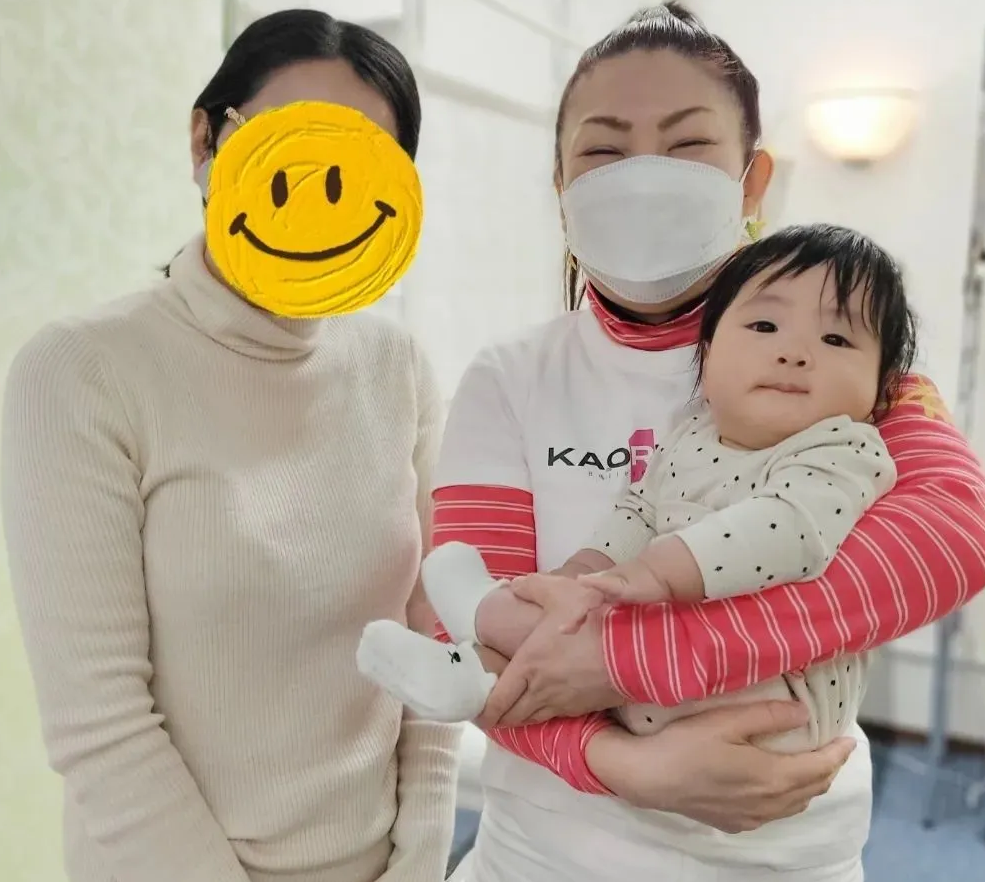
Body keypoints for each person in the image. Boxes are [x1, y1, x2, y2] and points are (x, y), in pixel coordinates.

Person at [408, 1, 985, 882]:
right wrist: (625, 763)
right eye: (604, 150)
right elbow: (479, 633)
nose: (643, 175)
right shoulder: (509, 377)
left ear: (752, 179)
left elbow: (951, 538)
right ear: (560, 187)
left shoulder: (836, 350)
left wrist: (628, 662)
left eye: (685, 145)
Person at [0, 9, 459, 882]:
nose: (317, 189)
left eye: (358, 164)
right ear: (206, 140)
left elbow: (435, 636)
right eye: (287, 144)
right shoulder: (83, 372)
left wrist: (414, 872)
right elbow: (99, 720)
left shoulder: (396, 367)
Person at [357, 224, 912, 757]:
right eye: (765, 326)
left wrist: (650, 575)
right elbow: (638, 511)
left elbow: (785, 528)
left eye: (836, 338)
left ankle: (482, 610)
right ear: (708, 351)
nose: (794, 353)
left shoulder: (845, 447)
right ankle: (469, 678)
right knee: (566, 630)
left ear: (883, 387)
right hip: (649, 688)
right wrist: (579, 575)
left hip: (769, 695)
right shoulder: (693, 435)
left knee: (584, 633)